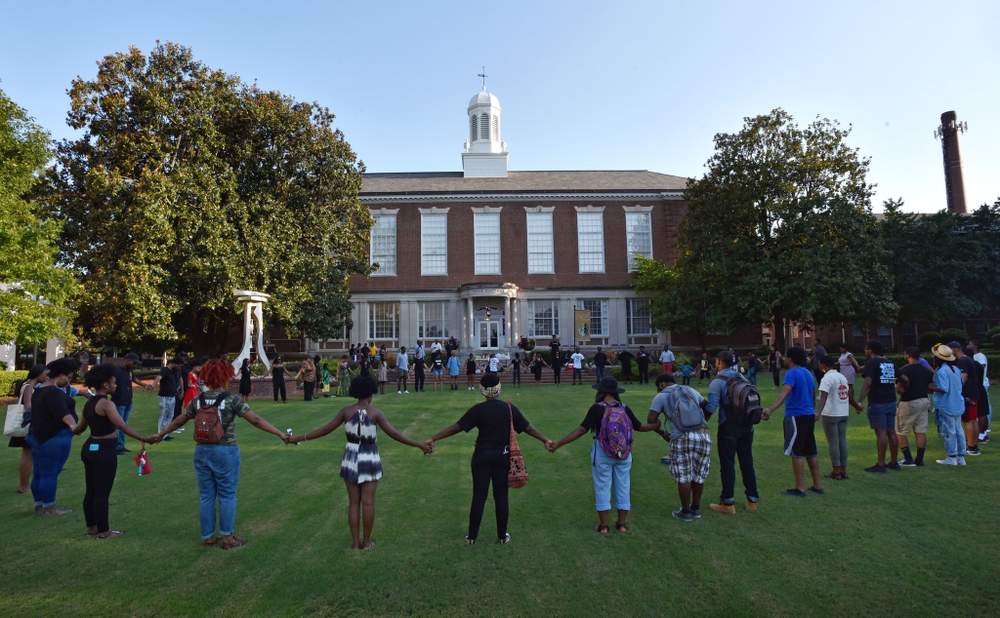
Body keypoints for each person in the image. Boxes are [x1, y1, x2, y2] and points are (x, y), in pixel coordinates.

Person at [287, 374, 431, 549]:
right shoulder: (375, 413)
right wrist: (418, 445)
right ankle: (367, 541)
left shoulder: (346, 411)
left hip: (351, 456)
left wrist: (299, 438)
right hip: (369, 457)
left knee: (354, 502)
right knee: (368, 502)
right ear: (371, 393)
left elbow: (324, 430)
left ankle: (355, 543)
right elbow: (395, 434)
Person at [157, 359, 289, 549]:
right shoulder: (232, 399)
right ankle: (227, 537)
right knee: (227, 494)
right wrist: (280, 434)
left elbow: (180, 419)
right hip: (225, 450)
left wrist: (160, 434)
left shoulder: (198, 400)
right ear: (225, 376)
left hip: (201, 450)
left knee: (206, 495)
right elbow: (256, 420)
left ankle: (208, 535)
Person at [428, 373, 553, 544]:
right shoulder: (509, 409)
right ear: (499, 389)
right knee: (501, 496)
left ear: (482, 391)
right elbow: (528, 428)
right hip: (503, 457)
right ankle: (502, 536)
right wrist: (545, 440)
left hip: (481, 456)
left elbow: (457, 427)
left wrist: (434, 438)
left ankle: (471, 537)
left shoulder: (478, 410)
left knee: (479, 496)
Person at [551, 377, 658, 533]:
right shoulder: (624, 408)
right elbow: (640, 427)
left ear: (601, 391)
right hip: (624, 454)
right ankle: (621, 525)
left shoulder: (597, 408)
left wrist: (559, 444)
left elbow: (581, 430)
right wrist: (656, 426)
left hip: (602, 452)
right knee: (623, 486)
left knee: (602, 486)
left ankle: (604, 526)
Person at [74, 364, 160, 538]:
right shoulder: (107, 404)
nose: (116, 385)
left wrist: (68, 426)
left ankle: (92, 527)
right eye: (114, 382)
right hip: (104, 451)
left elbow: (79, 429)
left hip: (90, 448)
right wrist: (144, 438)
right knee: (102, 492)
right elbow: (122, 426)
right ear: (105, 385)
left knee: (91, 490)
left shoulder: (89, 403)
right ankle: (104, 531)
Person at [647, 373, 711, 522]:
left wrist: (663, 433)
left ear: (662, 384)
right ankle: (696, 508)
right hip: (703, 435)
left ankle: (686, 512)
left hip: (681, 437)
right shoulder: (689, 389)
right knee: (699, 474)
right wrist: (701, 422)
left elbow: (651, 419)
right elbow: (707, 405)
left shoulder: (661, 396)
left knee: (683, 476)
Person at [763, 346, 823, 497]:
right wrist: (814, 410)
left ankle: (800, 488)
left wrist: (770, 409)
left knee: (797, 453)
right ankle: (817, 485)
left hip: (796, 416)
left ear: (791, 359)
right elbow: (813, 393)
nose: (783, 358)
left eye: (785, 356)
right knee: (811, 451)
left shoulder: (791, 373)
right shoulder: (808, 373)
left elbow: (784, 394)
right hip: (808, 415)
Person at [705, 352, 760, 514]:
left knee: (727, 463)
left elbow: (711, 408)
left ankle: (727, 503)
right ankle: (752, 500)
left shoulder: (717, 382)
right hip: (747, 426)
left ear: (719, 362)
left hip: (728, 427)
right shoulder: (742, 377)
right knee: (747, 462)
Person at [26, 357, 81, 516]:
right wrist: (74, 427)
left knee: (39, 472)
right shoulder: (54, 393)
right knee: (50, 473)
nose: (69, 381)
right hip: (55, 437)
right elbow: (63, 414)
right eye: (69, 377)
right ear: (61, 375)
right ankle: (50, 507)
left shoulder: (39, 390)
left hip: (38, 436)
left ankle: (40, 505)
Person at [856, 341, 900, 472]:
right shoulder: (890, 362)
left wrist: (859, 401)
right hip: (891, 400)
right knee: (891, 431)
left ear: (870, 350)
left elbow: (868, 382)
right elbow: (904, 378)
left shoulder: (872, 362)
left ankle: (880, 464)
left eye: (866, 349)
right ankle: (893, 462)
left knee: (881, 433)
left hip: (878, 401)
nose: (865, 352)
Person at [9, 365, 46, 494]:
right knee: (28, 455)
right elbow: (28, 406)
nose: (46, 376)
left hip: (27, 424)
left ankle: (24, 485)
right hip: (28, 425)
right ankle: (24, 486)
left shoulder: (28, 385)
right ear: (38, 374)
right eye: (44, 374)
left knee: (29, 454)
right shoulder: (29, 386)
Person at [928, 344, 967, 466]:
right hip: (958, 403)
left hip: (947, 405)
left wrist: (931, 387)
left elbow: (944, 388)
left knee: (949, 431)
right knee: (959, 430)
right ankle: (961, 457)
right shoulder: (956, 369)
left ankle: (952, 457)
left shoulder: (942, 371)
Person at [895, 347, 934, 467]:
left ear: (907, 355)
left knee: (901, 431)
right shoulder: (926, 370)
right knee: (920, 431)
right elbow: (930, 386)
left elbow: (899, 387)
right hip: (924, 400)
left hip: (909, 402)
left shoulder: (904, 370)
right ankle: (919, 460)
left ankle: (908, 459)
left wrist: (898, 391)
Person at [816, 355, 850, 479]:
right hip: (843, 412)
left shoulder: (827, 378)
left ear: (824, 365)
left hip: (831, 413)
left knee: (833, 443)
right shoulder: (842, 376)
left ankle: (836, 471)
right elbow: (847, 394)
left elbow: (824, 396)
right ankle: (844, 470)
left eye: (819, 363)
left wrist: (818, 413)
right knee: (842, 441)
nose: (818, 365)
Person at [950, 341, 982, 456]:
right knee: (973, 420)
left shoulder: (962, 361)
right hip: (974, 393)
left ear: (955, 349)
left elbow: (963, 377)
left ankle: (970, 446)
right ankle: (974, 446)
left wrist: (957, 390)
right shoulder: (968, 359)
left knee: (967, 420)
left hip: (968, 394)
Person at [112, 352, 144, 455]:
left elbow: (133, 379)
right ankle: (115, 447)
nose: (135, 365)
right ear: (127, 360)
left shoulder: (129, 371)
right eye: (134, 363)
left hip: (128, 401)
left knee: (124, 425)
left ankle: (121, 445)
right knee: (118, 425)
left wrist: (144, 385)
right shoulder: (116, 371)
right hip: (119, 401)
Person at [969, 341, 991, 441]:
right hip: (979, 385)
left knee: (982, 410)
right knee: (981, 411)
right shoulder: (974, 356)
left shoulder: (979, 356)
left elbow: (981, 367)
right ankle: (981, 433)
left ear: (976, 345)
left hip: (980, 385)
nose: (968, 345)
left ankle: (983, 433)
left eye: (970, 343)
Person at [156, 357, 182, 441]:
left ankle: (166, 434)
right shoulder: (165, 370)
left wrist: (181, 388)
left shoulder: (175, 371)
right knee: (163, 415)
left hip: (172, 395)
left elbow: (179, 379)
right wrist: (153, 385)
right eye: (178, 365)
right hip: (164, 396)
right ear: (174, 363)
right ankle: (160, 434)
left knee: (170, 415)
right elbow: (159, 377)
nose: (179, 367)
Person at [838, 343, 862, 409]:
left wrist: (858, 367)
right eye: (840, 348)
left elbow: (854, 361)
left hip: (849, 370)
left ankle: (851, 398)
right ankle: (847, 397)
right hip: (843, 370)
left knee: (850, 384)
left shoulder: (849, 354)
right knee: (844, 384)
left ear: (845, 348)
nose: (841, 349)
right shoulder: (842, 354)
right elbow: (840, 362)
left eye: (842, 348)